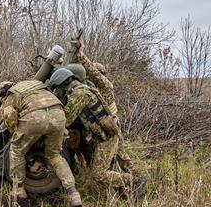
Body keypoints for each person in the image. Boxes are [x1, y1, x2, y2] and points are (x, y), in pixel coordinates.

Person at [49, 68, 144, 199]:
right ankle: (125, 190)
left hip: (107, 137)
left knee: (98, 174)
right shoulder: (81, 89)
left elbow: (67, 117)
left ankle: (134, 181)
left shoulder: (80, 94)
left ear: (64, 83)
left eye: (57, 88)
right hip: (103, 134)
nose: (56, 91)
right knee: (120, 161)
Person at [0, 80, 82, 207]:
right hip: (58, 114)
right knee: (55, 156)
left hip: (35, 117)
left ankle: (19, 190)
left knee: (17, 150)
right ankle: (73, 194)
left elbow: (11, 122)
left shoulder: (11, 95)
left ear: (2, 94)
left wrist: (20, 135)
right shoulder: (34, 84)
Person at [76, 39, 134, 174]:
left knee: (120, 155)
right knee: (114, 156)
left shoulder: (105, 87)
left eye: (92, 75)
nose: (89, 77)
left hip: (111, 126)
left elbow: (93, 73)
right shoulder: (92, 89)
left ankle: (132, 180)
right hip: (104, 127)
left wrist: (81, 55)